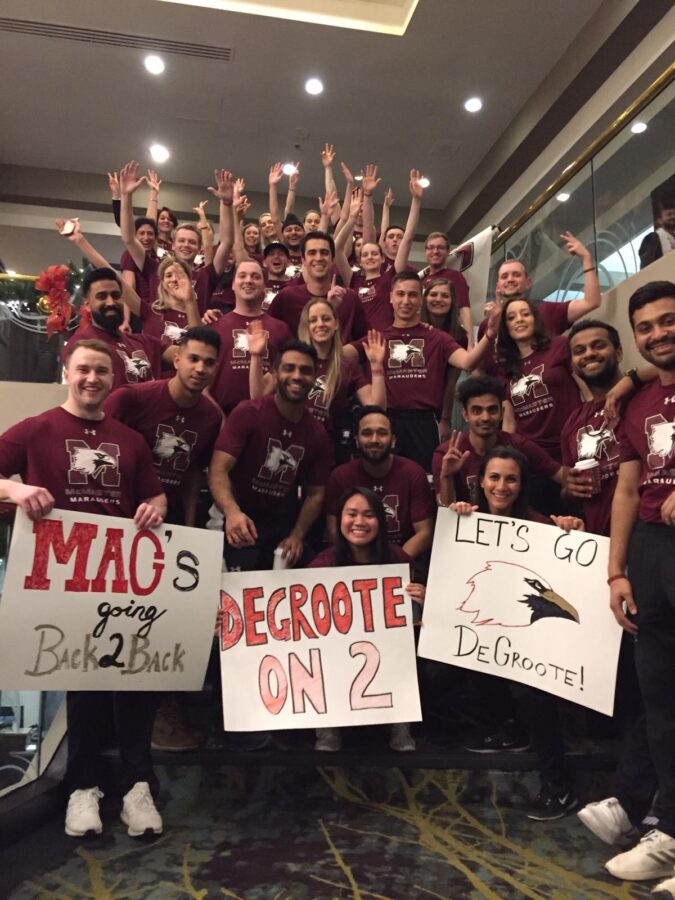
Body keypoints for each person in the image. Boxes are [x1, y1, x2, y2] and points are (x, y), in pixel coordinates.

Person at [0, 338, 166, 837]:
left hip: (121, 578)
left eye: (101, 371)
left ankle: (138, 787)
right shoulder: (37, 430)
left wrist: (155, 506)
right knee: (86, 684)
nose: (92, 379)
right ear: (66, 372)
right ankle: (82, 788)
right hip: (62, 577)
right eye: (84, 370)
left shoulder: (130, 440)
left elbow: (154, 492)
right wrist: (15, 488)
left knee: (136, 679)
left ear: (113, 380)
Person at [559, 319, 659, 852]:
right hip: (608, 559)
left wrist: (629, 380)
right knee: (644, 684)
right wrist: (569, 490)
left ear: (620, 350)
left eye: (599, 345)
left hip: (650, 548)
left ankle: (643, 804)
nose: (589, 354)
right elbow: (609, 484)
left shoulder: (645, 389)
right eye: (579, 350)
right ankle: (644, 804)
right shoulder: (575, 419)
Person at [104, 327, 223, 753]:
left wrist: (187, 531)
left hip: (168, 534)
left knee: (165, 623)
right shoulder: (131, 398)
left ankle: (160, 710)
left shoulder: (210, 417)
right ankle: (110, 718)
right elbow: (103, 451)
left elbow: (193, 473)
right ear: (177, 359)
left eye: (209, 362)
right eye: (193, 359)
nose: (200, 368)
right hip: (122, 528)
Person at [452, 445, 584, 820]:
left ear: (522, 484)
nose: (502, 486)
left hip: (534, 645)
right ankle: (508, 728)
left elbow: (568, 573)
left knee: (531, 693)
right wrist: (455, 512)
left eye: (511, 478)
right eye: (494, 477)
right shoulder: (466, 520)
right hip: (488, 637)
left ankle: (559, 790)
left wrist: (571, 532)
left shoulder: (541, 525)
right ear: (481, 482)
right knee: (448, 665)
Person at [603, 281, 675, 890]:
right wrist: (616, 570)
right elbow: (626, 489)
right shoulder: (637, 400)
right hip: (652, 552)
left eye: (668, 321)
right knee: (662, 700)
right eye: (646, 327)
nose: (657, 333)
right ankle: (671, 832)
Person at [345, 272, 501, 472]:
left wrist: (489, 335)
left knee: (425, 481)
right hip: (385, 421)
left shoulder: (438, 338)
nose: (406, 301)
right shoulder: (377, 338)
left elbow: (468, 362)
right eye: (400, 294)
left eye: (412, 295)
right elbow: (339, 355)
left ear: (421, 298)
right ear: (391, 297)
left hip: (424, 424)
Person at [309, 487, 425, 752]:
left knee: (406, 647)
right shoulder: (320, 566)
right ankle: (327, 726)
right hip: (337, 654)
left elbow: (415, 620)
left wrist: (423, 600)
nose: (359, 522)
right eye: (351, 514)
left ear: (380, 522)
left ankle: (400, 722)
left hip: (386, 654)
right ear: (339, 521)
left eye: (369, 515)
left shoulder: (398, 558)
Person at [208, 340, 333, 572]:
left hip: (280, 523)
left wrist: (297, 535)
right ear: (275, 373)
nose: (297, 376)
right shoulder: (248, 413)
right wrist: (232, 511)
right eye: (289, 368)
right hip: (235, 516)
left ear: (315, 378)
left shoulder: (318, 434)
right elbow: (219, 469)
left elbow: (316, 494)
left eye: (305, 370)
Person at [249, 298, 385, 455]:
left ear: (335, 324)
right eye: (313, 320)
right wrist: (256, 356)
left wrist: (376, 366)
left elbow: (377, 407)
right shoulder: (292, 357)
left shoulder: (347, 366)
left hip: (325, 447)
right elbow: (257, 395)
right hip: (286, 441)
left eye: (326, 319)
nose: (320, 324)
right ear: (306, 327)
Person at [119, 162, 234, 316]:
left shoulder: (205, 276)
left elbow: (226, 243)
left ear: (199, 248)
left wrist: (226, 204)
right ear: (172, 245)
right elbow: (129, 239)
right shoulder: (156, 271)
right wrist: (126, 196)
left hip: (195, 338)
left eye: (192, 242)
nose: (186, 245)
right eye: (181, 241)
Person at [324, 407, 435, 563]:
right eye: (367, 433)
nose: (374, 440)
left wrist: (392, 565)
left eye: (382, 433)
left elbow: (425, 533)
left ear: (393, 440)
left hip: (401, 561)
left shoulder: (413, 473)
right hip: (353, 562)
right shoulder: (340, 476)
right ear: (356, 440)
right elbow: (332, 530)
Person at [493, 297, 583, 490]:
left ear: (536, 319)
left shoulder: (560, 346)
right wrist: (507, 458)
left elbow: (587, 390)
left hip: (569, 447)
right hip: (531, 457)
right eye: (511, 317)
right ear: (505, 327)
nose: (519, 319)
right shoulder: (506, 365)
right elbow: (509, 420)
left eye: (525, 314)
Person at [432, 375, 562, 507]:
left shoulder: (518, 445)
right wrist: (447, 477)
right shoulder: (447, 454)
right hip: (467, 524)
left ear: (502, 413)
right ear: (465, 415)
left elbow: (561, 474)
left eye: (492, 410)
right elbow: (445, 510)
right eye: (477, 411)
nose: (485, 417)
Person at [336, 170, 422, 331]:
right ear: (360, 260)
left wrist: (416, 200)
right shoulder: (353, 280)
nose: (370, 257)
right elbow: (338, 249)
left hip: (383, 342)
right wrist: (352, 219)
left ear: (383, 258)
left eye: (375, 253)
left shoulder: (390, 278)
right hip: (358, 344)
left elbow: (408, 238)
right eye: (365, 254)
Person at [208, 260, 293, 415]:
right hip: (221, 414)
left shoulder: (281, 329)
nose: (248, 280)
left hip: (267, 414)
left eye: (255, 277)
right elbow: (203, 383)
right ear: (233, 284)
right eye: (242, 276)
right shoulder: (214, 325)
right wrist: (218, 418)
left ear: (264, 287)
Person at [63, 267, 163, 388]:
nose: (110, 302)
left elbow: (187, 354)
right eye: (101, 296)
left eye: (115, 295)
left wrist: (188, 301)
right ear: (87, 305)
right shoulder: (81, 344)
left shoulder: (144, 342)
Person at [490, 232, 601, 335]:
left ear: (528, 282)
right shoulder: (490, 323)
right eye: (504, 276)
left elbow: (591, 302)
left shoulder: (546, 311)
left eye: (516, 275)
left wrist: (586, 257)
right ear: (497, 287)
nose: (510, 279)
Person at [268, 232, 368, 342]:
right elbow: (269, 334)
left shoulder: (349, 297)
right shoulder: (286, 297)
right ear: (303, 260)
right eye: (312, 253)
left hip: (339, 358)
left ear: (333, 259)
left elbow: (367, 339)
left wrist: (352, 350)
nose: (319, 258)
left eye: (324, 252)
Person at [418, 232, 473, 340]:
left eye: (440, 247)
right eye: (431, 247)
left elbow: (464, 310)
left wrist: (470, 344)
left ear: (448, 251)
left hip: (448, 338)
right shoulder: (420, 280)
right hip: (423, 338)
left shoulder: (455, 276)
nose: (435, 251)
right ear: (426, 251)